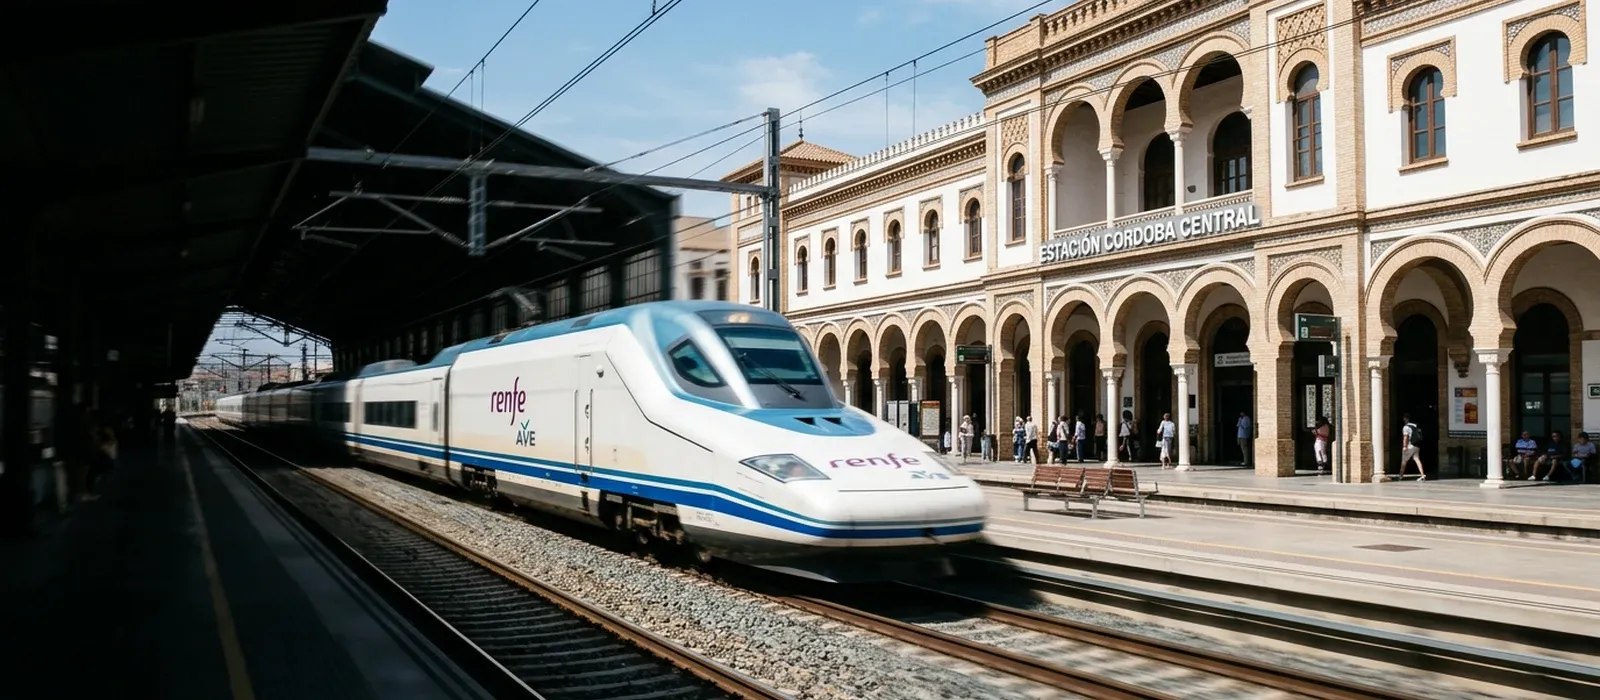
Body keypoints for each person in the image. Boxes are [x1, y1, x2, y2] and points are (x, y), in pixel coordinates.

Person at [1398, 412, 1425, 481]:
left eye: (1404, 419)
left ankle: (1400, 475)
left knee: (1404, 461)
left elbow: (1405, 437)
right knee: (1417, 459)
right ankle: (1422, 475)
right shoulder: (1416, 425)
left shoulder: (1406, 427)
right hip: (1417, 445)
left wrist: (1404, 446)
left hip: (1410, 446)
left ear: (1405, 419)